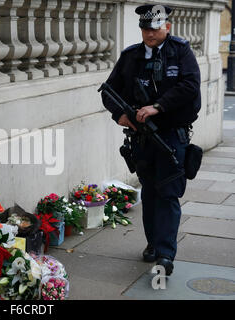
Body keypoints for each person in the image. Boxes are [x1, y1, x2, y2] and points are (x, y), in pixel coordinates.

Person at [101, 4, 201, 276]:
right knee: (151, 192)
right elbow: (109, 91)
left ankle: (166, 254)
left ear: (166, 26)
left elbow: (190, 86)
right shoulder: (131, 56)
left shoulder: (180, 52)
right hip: (141, 139)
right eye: (146, 28)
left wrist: (158, 107)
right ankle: (154, 244)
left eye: (155, 27)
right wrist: (120, 116)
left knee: (168, 194)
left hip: (171, 136)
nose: (150, 33)